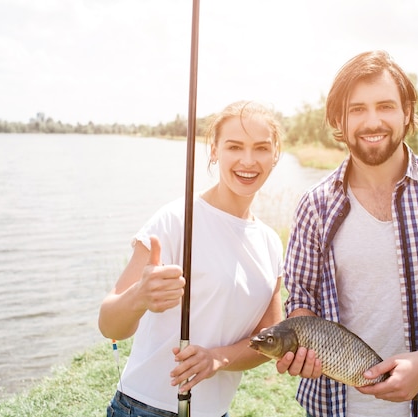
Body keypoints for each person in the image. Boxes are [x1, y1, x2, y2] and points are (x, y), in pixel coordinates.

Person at [275, 50, 418, 417]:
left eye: (385, 106)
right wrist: (302, 346)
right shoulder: (314, 206)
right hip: (331, 407)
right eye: (357, 109)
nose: (372, 121)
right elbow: (301, 298)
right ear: (340, 118)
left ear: (406, 113)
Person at [98, 100, 285, 417]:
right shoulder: (174, 219)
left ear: (275, 155)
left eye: (261, 148)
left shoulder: (270, 242)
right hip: (143, 408)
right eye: (234, 147)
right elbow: (109, 325)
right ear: (214, 151)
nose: (248, 160)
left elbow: (270, 339)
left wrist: (219, 357)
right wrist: (139, 296)